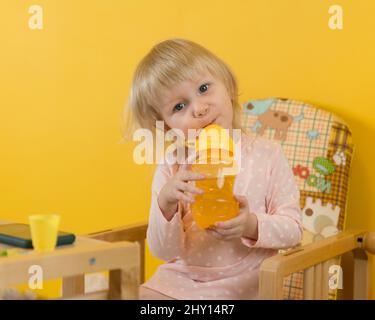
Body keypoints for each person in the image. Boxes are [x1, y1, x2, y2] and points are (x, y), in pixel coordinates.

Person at [125, 38, 303, 299]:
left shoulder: (267, 155)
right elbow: (164, 252)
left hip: (248, 280)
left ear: (228, 87)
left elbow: (294, 231)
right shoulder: (172, 167)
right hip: (182, 280)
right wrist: (165, 203)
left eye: (204, 88)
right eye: (179, 106)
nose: (199, 108)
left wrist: (250, 225)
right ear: (166, 126)